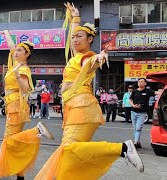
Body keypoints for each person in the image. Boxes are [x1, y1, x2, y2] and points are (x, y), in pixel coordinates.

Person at [35, 3, 143, 180]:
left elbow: (92, 63)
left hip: (82, 107)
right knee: (68, 159)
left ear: (90, 39)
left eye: (80, 37)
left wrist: (99, 58)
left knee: (68, 150)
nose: (75, 40)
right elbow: (73, 38)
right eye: (74, 37)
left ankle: (123, 149)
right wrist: (75, 18)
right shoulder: (75, 56)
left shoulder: (88, 56)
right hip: (72, 108)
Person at [0, 30, 54, 180]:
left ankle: (35, 131)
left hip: (16, 105)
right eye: (16, 50)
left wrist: (18, 73)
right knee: (16, 141)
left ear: (27, 54)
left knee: (9, 140)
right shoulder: (15, 64)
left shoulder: (23, 69)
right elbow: (11, 46)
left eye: (20, 50)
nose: (16, 52)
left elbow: (25, 88)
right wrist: (6, 33)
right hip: (12, 104)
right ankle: (20, 175)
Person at [129, 78, 159, 149]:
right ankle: (138, 142)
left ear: (145, 83)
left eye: (142, 82)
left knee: (138, 128)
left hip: (142, 113)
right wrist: (133, 105)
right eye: (139, 82)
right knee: (135, 128)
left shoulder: (148, 91)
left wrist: (164, 91)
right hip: (133, 112)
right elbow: (130, 100)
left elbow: (156, 93)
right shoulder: (135, 91)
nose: (140, 83)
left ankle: (135, 142)